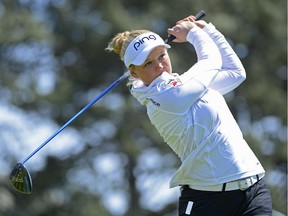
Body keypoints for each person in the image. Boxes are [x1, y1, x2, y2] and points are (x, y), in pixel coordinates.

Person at [105, 15, 272, 216]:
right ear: (134, 74)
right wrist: (193, 34)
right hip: (207, 202)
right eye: (148, 63)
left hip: (253, 190)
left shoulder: (188, 85)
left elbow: (235, 73)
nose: (159, 66)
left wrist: (208, 30)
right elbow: (211, 61)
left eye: (161, 56)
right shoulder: (163, 99)